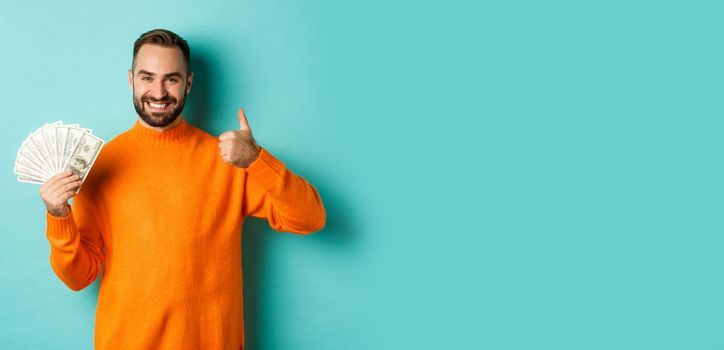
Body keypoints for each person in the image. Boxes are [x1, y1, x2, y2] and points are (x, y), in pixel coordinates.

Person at [39, 28, 326, 350]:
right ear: (131, 80)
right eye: (147, 78)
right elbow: (78, 277)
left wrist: (257, 160)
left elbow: (310, 219)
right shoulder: (100, 164)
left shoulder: (229, 159)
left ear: (188, 83)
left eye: (171, 79)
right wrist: (58, 214)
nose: (158, 92)